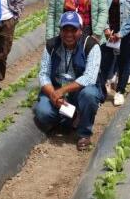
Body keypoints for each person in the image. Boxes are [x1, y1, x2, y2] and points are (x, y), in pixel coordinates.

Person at [34, 11, 102, 151]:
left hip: (79, 91)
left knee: (89, 95)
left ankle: (84, 133)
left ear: (81, 30)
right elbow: (44, 74)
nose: (69, 34)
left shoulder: (91, 46)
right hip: (57, 90)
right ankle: (72, 116)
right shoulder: (51, 45)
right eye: (65, 29)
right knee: (42, 112)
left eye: (73, 30)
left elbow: (89, 77)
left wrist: (62, 91)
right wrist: (54, 95)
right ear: (60, 30)